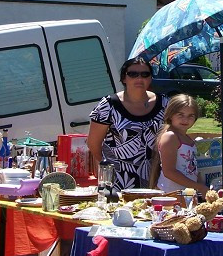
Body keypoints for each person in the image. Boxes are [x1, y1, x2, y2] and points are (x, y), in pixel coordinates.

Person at [87, 56, 168, 192]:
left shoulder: (165, 104)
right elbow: (93, 144)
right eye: (133, 74)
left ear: (150, 78)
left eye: (145, 74)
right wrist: (107, 171)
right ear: (124, 78)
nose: (139, 78)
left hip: (156, 180)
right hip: (118, 181)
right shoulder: (108, 105)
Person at [154, 94, 208, 195]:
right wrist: (198, 187)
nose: (185, 120)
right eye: (180, 115)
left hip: (186, 194)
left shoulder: (188, 139)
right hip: (169, 194)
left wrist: (202, 186)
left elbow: (193, 169)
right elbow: (169, 172)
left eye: (190, 116)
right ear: (170, 115)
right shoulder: (170, 137)